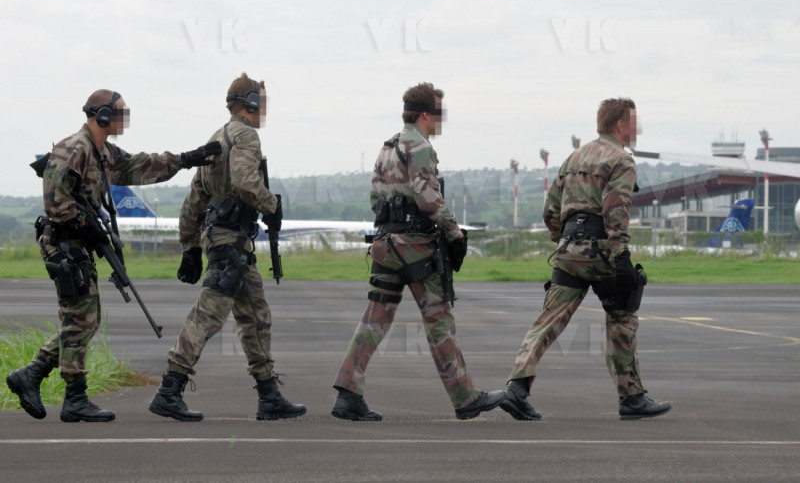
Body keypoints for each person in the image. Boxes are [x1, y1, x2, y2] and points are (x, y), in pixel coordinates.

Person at [6, 89, 220, 422]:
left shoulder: (103, 152)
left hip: (78, 242)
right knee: (81, 319)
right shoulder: (73, 149)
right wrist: (86, 225)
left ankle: (32, 373)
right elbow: (55, 202)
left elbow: (142, 166)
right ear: (102, 115)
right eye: (119, 114)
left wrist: (185, 159)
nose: (124, 120)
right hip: (64, 243)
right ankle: (74, 398)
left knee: (84, 320)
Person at [331, 82, 505, 421]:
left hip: (385, 244)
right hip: (415, 249)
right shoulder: (420, 147)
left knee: (375, 318)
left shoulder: (388, 147)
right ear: (427, 114)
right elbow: (428, 198)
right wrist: (455, 233)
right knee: (439, 319)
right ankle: (465, 397)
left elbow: (374, 199)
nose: (441, 120)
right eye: (439, 113)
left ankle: (347, 391)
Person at [500, 97, 672, 421]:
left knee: (547, 321)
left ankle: (517, 388)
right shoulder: (621, 159)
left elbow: (549, 210)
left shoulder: (573, 157)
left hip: (567, 251)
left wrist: (563, 241)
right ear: (621, 125)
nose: (638, 128)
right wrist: (621, 256)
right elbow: (615, 210)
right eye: (634, 122)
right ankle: (631, 397)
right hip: (603, 251)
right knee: (622, 317)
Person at [148, 72, 306, 422]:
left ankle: (269, 395)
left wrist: (190, 246)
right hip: (230, 240)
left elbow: (194, 200)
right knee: (208, 314)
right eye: (261, 102)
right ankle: (169, 390)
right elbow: (247, 183)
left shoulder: (216, 138)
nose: (264, 109)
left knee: (255, 316)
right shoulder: (245, 136)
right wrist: (272, 206)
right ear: (249, 103)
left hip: (225, 241)